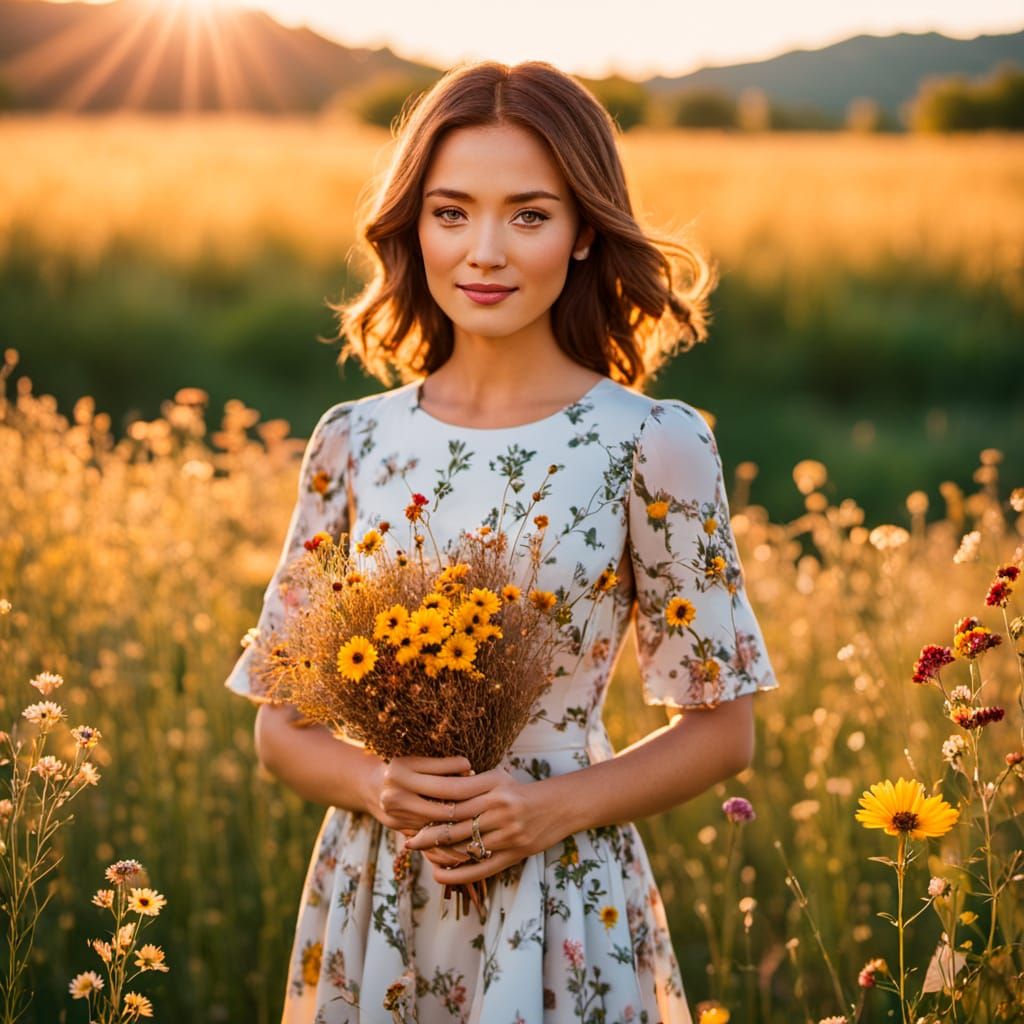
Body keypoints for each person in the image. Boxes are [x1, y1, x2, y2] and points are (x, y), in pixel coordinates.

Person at [223, 59, 780, 1024]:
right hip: (376, 899)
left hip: (563, 898)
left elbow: (724, 732)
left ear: (581, 233)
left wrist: (549, 810)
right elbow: (281, 728)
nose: (484, 251)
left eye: (528, 213)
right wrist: (379, 785)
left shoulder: (653, 442)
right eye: (451, 212)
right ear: (414, 226)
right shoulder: (353, 441)